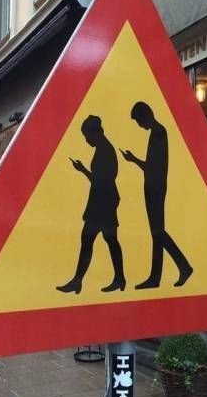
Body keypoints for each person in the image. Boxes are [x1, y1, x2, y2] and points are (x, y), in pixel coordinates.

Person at [121, 102, 192, 288]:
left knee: (158, 231)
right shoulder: (156, 133)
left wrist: (133, 160)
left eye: (138, 121)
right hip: (153, 186)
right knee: (156, 232)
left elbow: (153, 167)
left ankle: (183, 266)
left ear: (145, 116)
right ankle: (155, 277)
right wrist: (133, 159)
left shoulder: (159, 133)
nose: (139, 125)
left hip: (156, 188)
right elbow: (151, 166)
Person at [57, 115, 125, 294]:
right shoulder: (103, 148)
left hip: (103, 202)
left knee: (96, 240)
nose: (86, 140)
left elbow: (102, 180)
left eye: (87, 136)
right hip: (103, 201)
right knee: (105, 240)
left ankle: (82, 281)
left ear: (95, 133)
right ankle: (115, 279)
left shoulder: (105, 150)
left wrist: (83, 170)